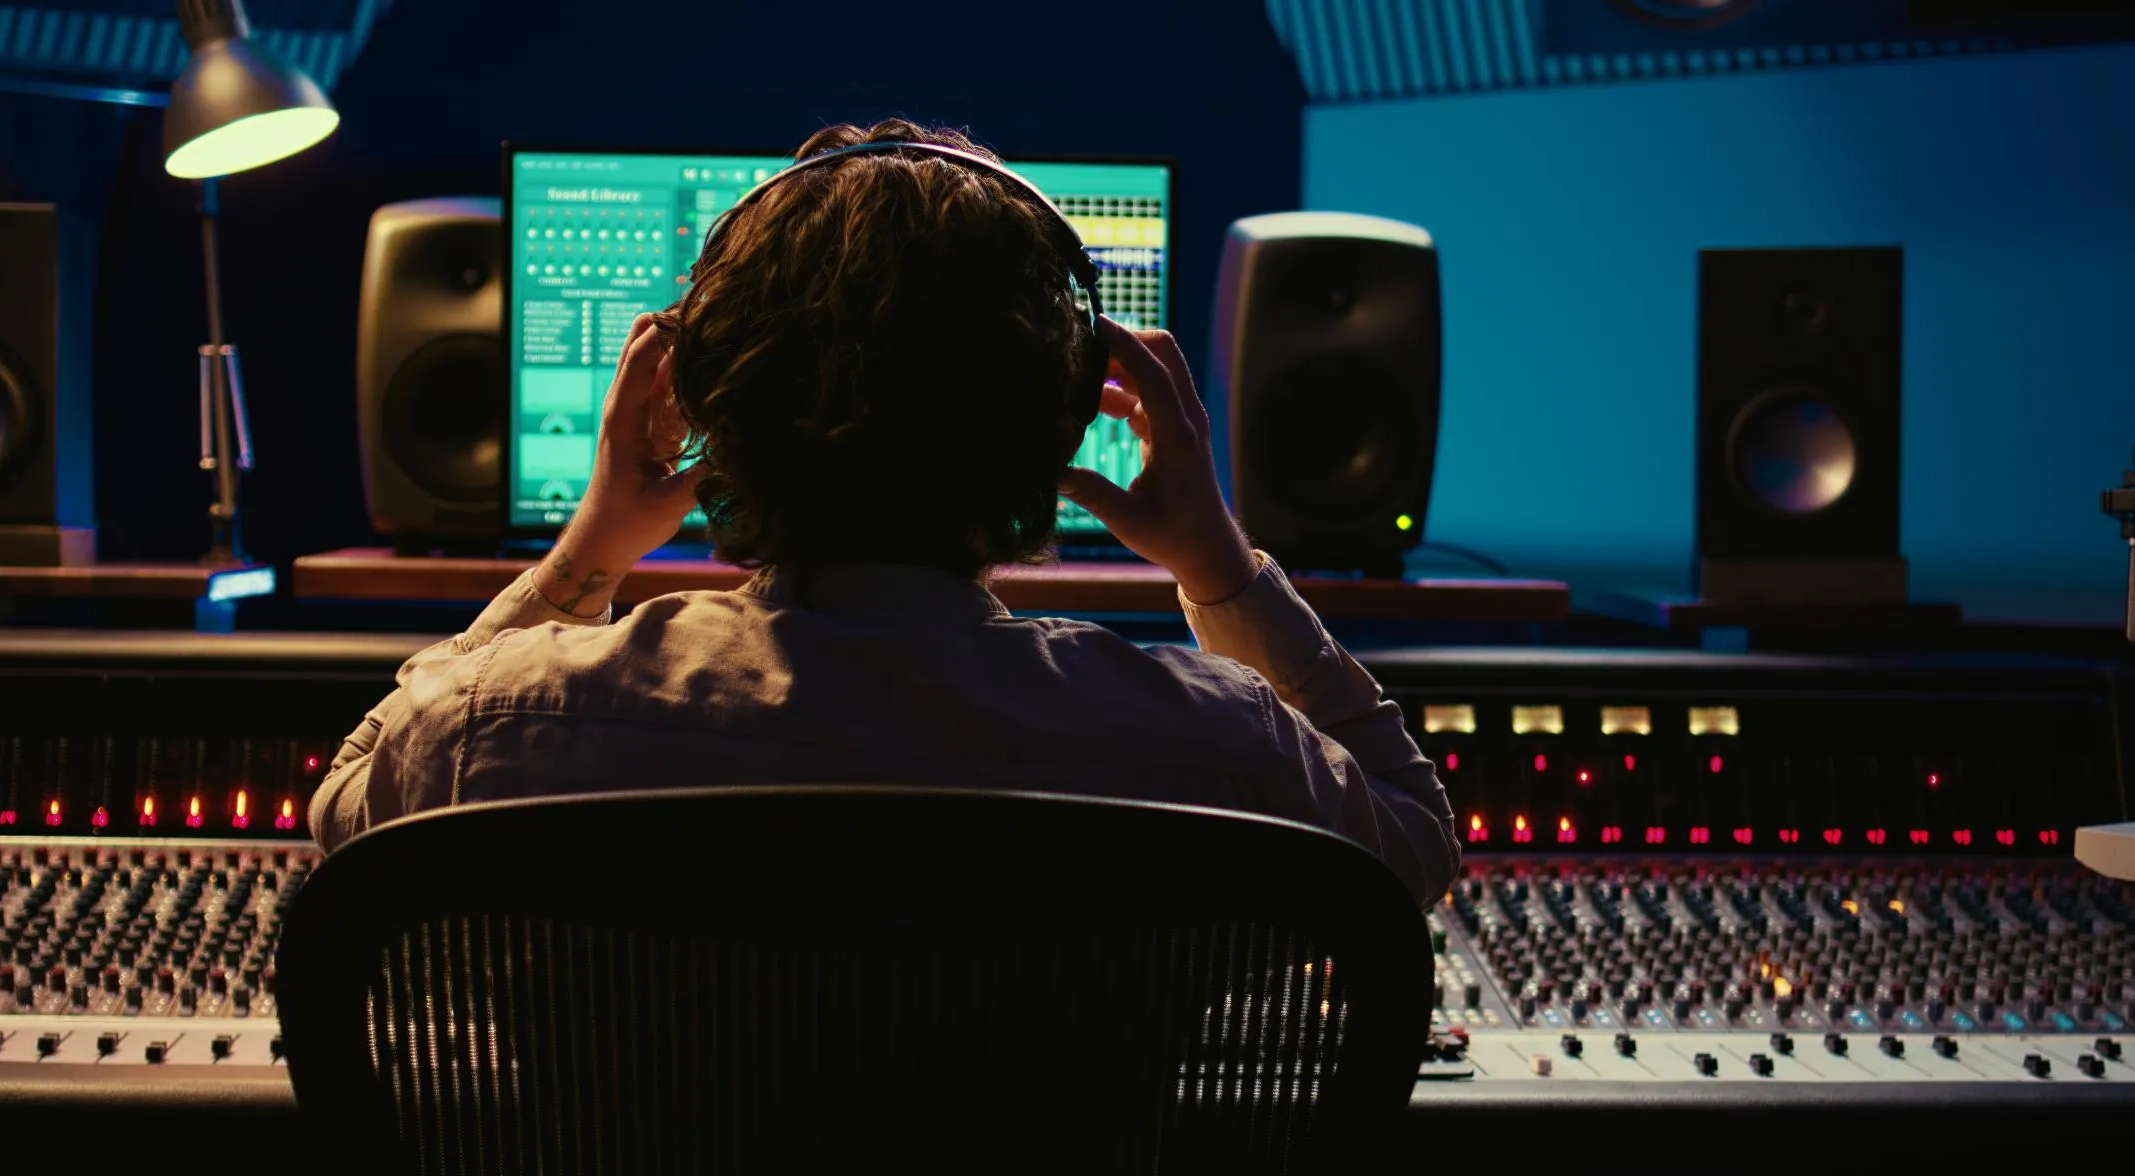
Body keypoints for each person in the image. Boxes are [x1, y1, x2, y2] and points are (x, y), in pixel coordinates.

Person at [311, 120, 1460, 908]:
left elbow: (342, 806)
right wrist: (1219, 566)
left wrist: (588, 552)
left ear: (702, 405)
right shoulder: (1216, 741)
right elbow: (1411, 836)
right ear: (1065, 418)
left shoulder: (494, 725)